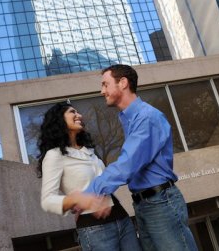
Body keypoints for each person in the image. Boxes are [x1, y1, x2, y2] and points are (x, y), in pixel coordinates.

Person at [83, 64, 198, 251]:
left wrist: (90, 192)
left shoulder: (146, 117)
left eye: (105, 84)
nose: (102, 91)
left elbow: (128, 164)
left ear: (123, 83)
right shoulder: (129, 118)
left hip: (160, 203)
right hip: (144, 204)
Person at [38, 101, 142, 251]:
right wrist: (77, 199)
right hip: (95, 229)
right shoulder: (54, 155)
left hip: (122, 219)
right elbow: (47, 201)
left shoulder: (90, 151)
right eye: (72, 112)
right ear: (58, 119)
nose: (79, 115)